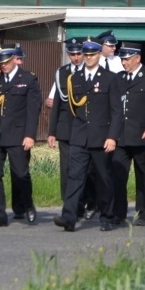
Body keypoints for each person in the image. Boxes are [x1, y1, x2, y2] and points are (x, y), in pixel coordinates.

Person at [53, 38, 123, 232]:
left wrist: (112, 137)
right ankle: (69, 217)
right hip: (79, 136)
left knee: (103, 178)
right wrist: (70, 134)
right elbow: (71, 110)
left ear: (99, 55)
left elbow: (116, 111)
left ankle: (107, 217)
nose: (89, 58)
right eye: (86, 55)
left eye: (92, 54)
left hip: (101, 137)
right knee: (74, 177)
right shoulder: (73, 79)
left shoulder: (110, 78)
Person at [0, 43, 42, 227]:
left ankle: (27, 204)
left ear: (14, 59)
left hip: (17, 135)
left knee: (20, 174)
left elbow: (33, 111)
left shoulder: (28, 79)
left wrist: (30, 135)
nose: (3, 65)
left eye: (6, 62)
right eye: (0, 62)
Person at [46, 37, 97, 218]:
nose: (76, 58)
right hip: (66, 129)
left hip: (85, 127)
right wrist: (52, 131)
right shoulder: (62, 73)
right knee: (67, 169)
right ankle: (71, 206)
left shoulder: (90, 72)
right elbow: (57, 104)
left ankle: (90, 201)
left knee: (88, 170)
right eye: (72, 54)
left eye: (78, 54)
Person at [113, 42, 145, 225]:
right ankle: (118, 213)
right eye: (122, 59)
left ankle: (144, 211)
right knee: (118, 175)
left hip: (142, 135)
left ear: (138, 58)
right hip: (121, 136)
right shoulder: (118, 78)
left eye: (127, 59)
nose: (124, 62)